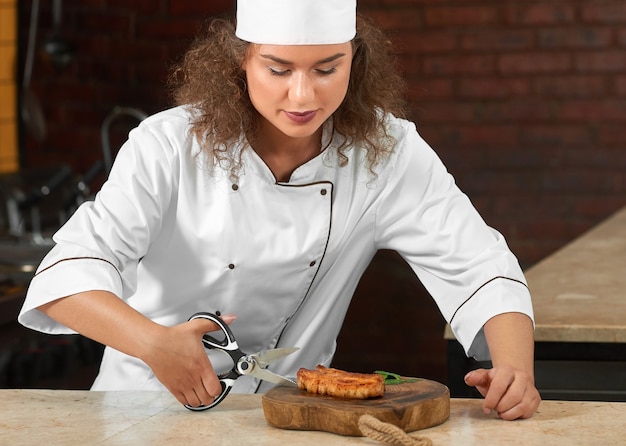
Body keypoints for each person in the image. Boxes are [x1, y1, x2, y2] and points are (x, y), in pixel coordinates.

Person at [18, 0, 540, 420]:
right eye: (278, 68)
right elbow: (67, 275)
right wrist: (152, 342)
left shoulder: (388, 151)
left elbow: (479, 263)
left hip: (290, 418)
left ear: (355, 60)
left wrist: (514, 366)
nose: (302, 94)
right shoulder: (168, 145)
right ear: (239, 61)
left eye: (327, 68)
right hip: (142, 410)